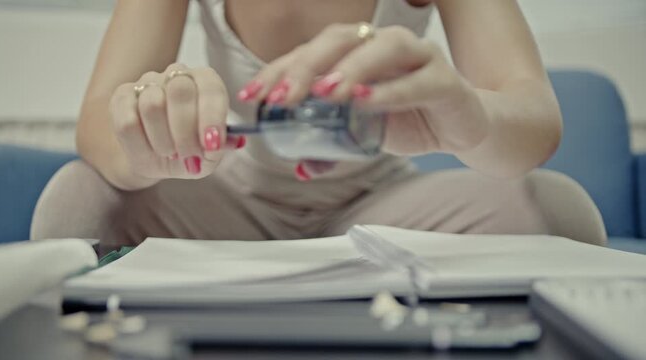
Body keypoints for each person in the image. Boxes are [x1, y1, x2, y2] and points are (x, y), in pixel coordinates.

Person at [31, 0, 606, 254]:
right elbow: (99, 118)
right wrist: (148, 141)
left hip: (384, 209)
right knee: (76, 203)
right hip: (229, 206)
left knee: (559, 212)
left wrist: (470, 119)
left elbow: (534, 113)